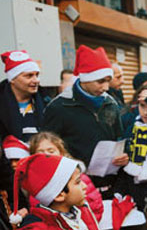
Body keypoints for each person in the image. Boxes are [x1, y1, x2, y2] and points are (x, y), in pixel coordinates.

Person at [43, 45, 128, 193]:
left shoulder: (111, 104)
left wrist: (124, 155)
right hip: (75, 187)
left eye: (108, 80)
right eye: (100, 81)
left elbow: (120, 137)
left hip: (111, 184)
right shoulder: (59, 107)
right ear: (84, 79)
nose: (106, 87)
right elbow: (47, 149)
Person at [28, 131, 105, 222]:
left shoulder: (79, 177)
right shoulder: (34, 185)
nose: (46, 155)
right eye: (40, 152)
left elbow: (96, 207)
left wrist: (81, 227)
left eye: (51, 151)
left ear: (61, 153)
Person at [1, 50, 46, 143]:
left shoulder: (46, 102)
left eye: (37, 75)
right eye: (29, 76)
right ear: (12, 79)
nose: (36, 80)